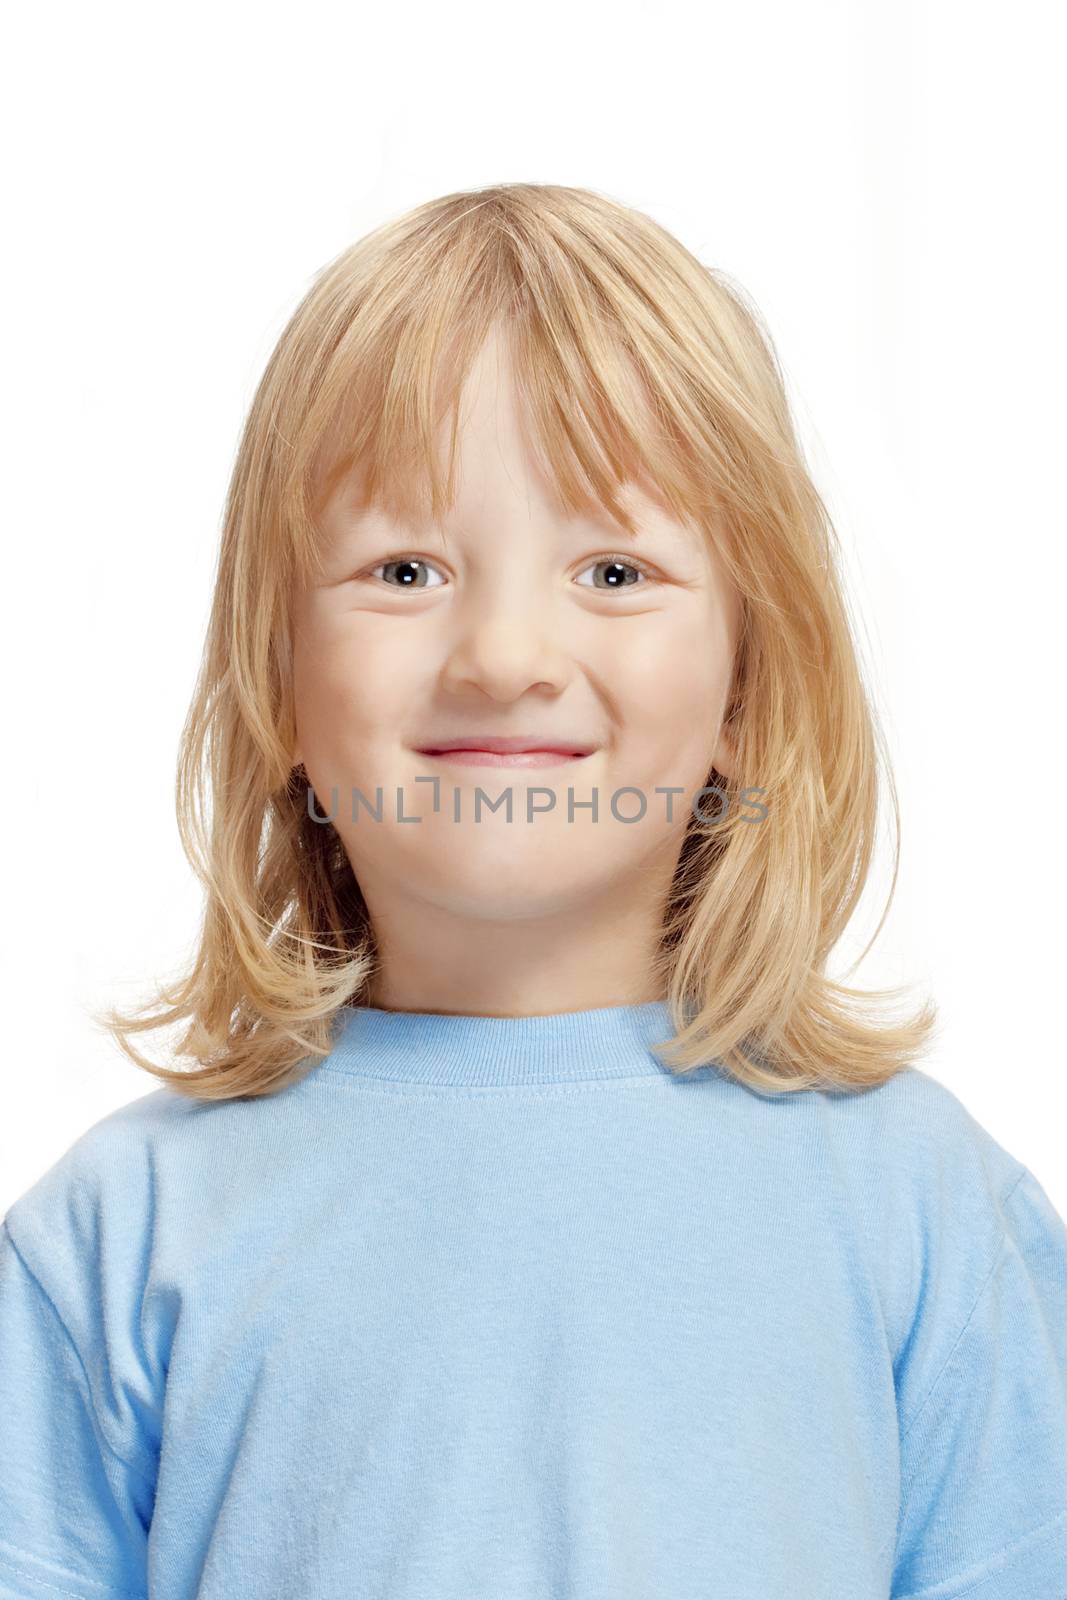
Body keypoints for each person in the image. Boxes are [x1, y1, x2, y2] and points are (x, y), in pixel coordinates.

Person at [1, 183, 1064, 1600]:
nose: (504, 653)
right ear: (278, 687)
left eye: (615, 568)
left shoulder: (923, 1208)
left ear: (750, 685)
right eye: (405, 567)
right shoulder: (114, 1238)